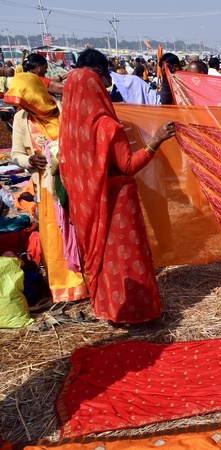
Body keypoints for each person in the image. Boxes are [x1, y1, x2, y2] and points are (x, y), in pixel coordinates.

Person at [59, 48, 176, 324]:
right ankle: (139, 314)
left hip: (90, 206)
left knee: (108, 260)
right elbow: (129, 165)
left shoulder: (71, 130)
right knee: (128, 259)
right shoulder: (106, 126)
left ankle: (112, 311)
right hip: (119, 204)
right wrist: (157, 139)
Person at [5, 72, 89, 303]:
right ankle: (66, 285)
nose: (23, 107)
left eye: (26, 101)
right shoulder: (21, 119)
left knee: (81, 229)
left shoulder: (65, 110)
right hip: (46, 186)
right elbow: (16, 154)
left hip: (76, 182)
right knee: (54, 234)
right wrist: (30, 160)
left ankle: (90, 279)